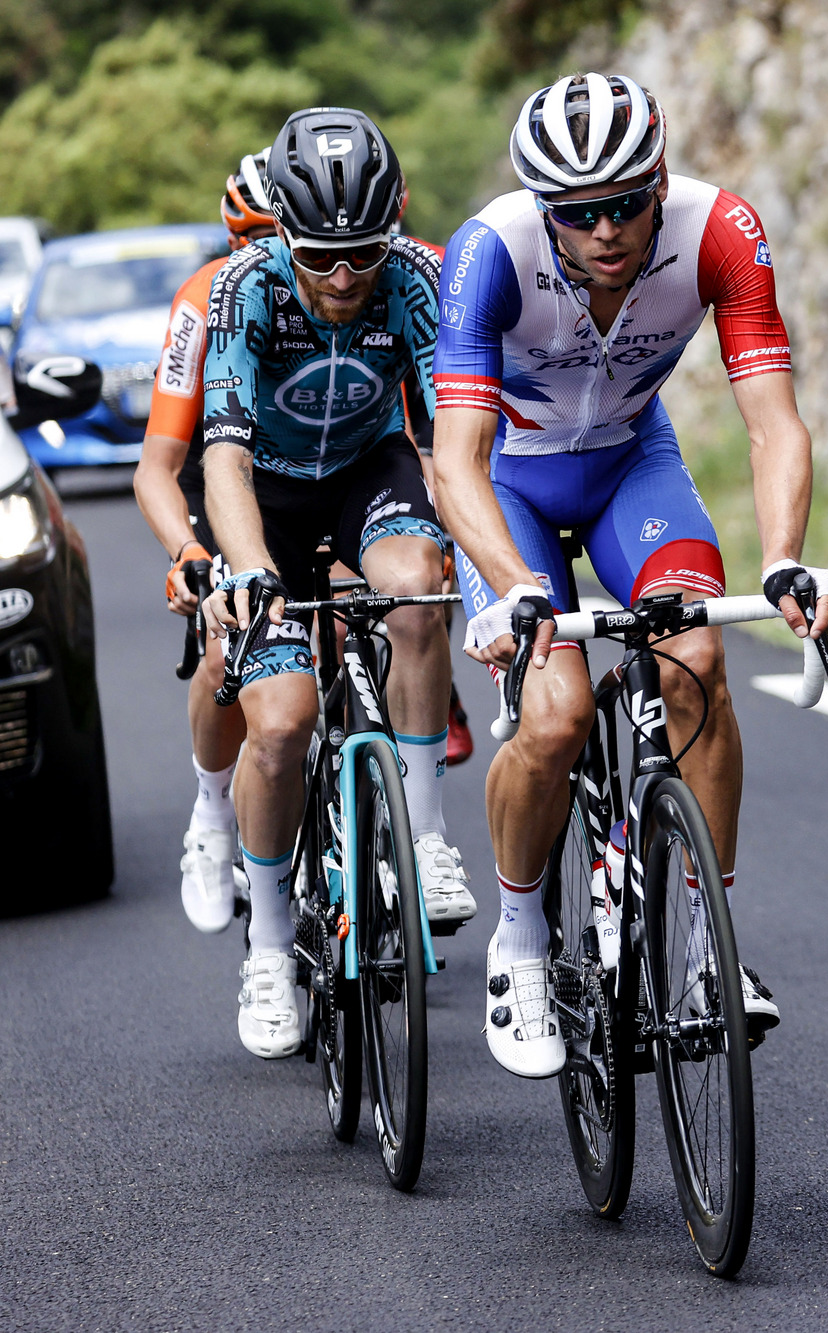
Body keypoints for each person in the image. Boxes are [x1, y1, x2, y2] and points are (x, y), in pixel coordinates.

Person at [432, 72, 828, 1079]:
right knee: (557, 712)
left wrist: (784, 556)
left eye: (625, 202)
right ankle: (520, 938)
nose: (606, 230)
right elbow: (454, 459)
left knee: (695, 657)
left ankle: (708, 949)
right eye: (577, 213)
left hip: (630, 465)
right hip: (510, 488)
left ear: (660, 181)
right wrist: (513, 586)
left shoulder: (719, 232)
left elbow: (773, 419)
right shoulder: (489, 252)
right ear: (544, 211)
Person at [203, 107, 473, 1059]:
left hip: (370, 470)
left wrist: (474, 557)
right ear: (283, 231)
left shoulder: (416, 280)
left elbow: (451, 444)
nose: (345, 277)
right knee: (277, 721)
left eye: (363, 250)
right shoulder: (244, 291)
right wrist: (246, 569)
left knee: (418, 583)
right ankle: (271, 947)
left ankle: (428, 836)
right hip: (264, 496)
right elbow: (224, 460)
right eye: (321, 255)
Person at [133, 153, 276, 934]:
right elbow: (157, 466)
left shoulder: (352, 288)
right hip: (215, 473)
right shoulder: (205, 299)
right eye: (256, 239)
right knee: (230, 649)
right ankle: (213, 810)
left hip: (321, 472)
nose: (276, 256)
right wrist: (186, 550)